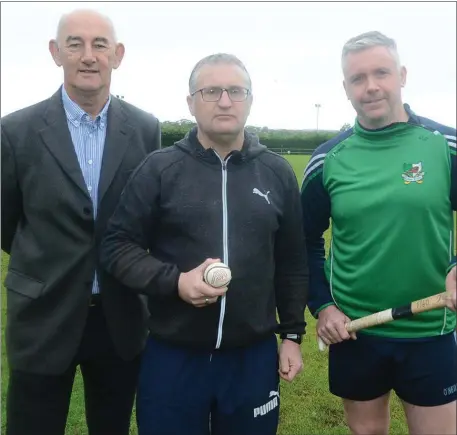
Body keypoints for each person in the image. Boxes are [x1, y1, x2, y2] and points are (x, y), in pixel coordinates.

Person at [99, 53, 309, 435]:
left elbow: (292, 260)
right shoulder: (160, 169)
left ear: (250, 99)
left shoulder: (276, 172)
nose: (225, 101)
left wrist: (292, 334)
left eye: (235, 90)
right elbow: (117, 246)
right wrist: (174, 282)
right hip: (173, 354)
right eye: (211, 91)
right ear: (191, 103)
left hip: (252, 357)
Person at [1, 9, 161, 435]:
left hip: (120, 317)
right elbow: (7, 222)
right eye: (75, 44)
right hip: (43, 313)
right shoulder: (15, 131)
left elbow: (147, 219)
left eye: (100, 45)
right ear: (56, 53)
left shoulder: (146, 130)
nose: (88, 56)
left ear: (118, 55)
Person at [301, 30, 457, 435]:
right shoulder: (327, 160)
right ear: (346, 87)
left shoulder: (444, 145)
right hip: (355, 331)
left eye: (381, 73)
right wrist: (323, 306)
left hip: (431, 328)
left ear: (402, 75)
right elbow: (302, 242)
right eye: (358, 78)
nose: (371, 87)